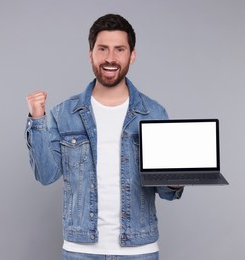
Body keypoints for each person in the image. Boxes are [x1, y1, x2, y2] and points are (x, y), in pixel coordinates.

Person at [25, 14, 184, 260]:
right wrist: (37, 120)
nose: (110, 58)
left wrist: (179, 177)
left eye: (119, 49)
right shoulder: (64, 113)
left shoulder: (153, 113)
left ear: (131, 55)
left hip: (139, 251)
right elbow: (46, 175)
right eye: (103, 49)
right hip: (80, 251)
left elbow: (165, 191)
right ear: (91, 54)